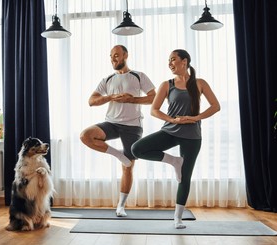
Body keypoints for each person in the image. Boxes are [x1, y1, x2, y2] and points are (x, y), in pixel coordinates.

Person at [131, 49, 220, 229]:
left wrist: (194, 118)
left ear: (184, 61)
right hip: (170, 130)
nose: (170, 63)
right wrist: (172, 119)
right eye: (168, 61)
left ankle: (178, 218)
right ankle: (174, 161)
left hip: (192, 135)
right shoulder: (167, 84)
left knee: (184, 178)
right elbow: (154, 110)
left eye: (173, 60)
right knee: (137, 149)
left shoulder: (200, 83)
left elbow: (215, 106)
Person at [80, 45, 156, 217]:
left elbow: (153, 98)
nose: (113, 59)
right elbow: (91, 101)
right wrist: (110, 97)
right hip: (112, 123)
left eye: (116, 55)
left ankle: (121, 206)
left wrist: (132, 100)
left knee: (127, 167)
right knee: (86, 136)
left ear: (125, 55)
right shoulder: (107, 79)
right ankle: (118, 154)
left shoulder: (138, 76)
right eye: (111, 56)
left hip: (133, 126)